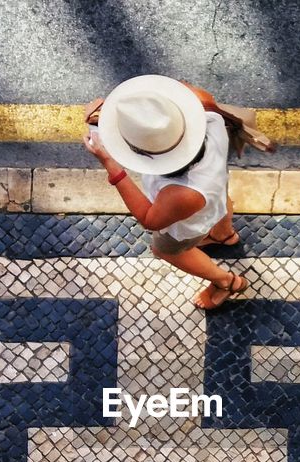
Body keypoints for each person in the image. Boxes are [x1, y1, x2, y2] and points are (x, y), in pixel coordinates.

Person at [84, 74, 247, 311]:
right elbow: (157, 105)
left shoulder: (182, 194)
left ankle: (227, 282)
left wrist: (110, 163)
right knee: (220, 199)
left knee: (165, 250)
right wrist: (123, 116)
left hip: (191, 217)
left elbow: (149, 219)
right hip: (215, 185)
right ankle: (224, 234)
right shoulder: (203, 105)